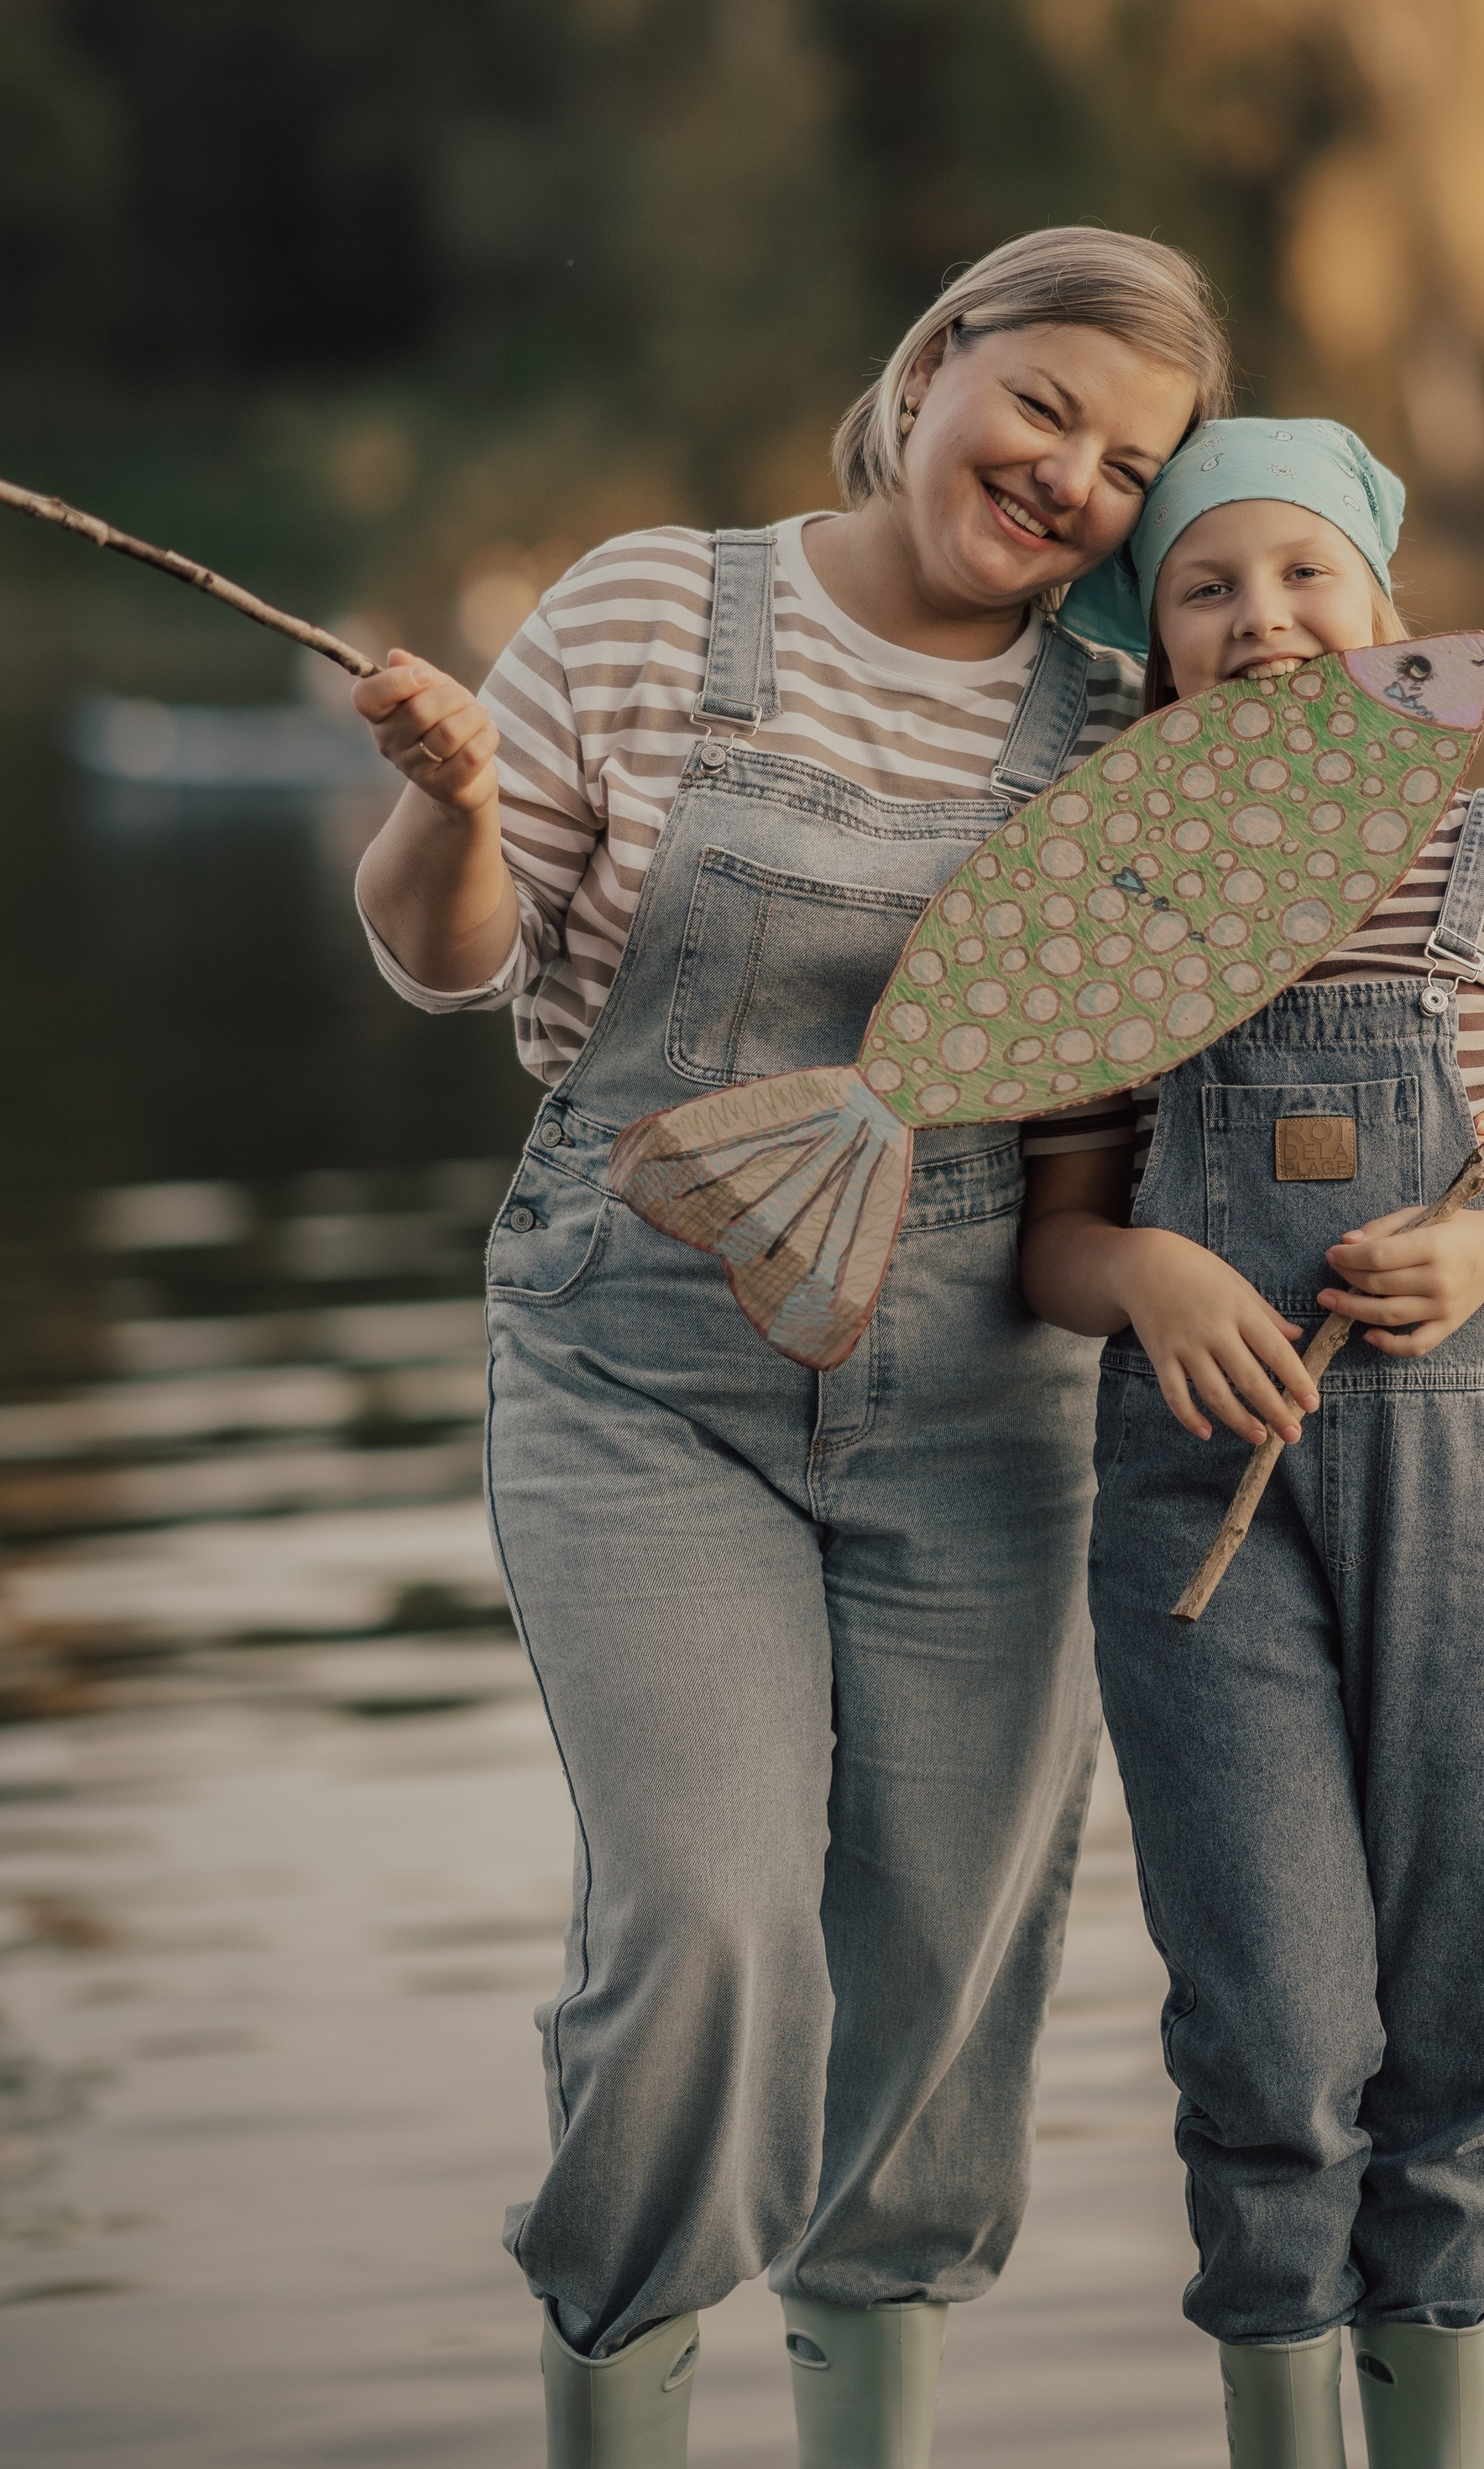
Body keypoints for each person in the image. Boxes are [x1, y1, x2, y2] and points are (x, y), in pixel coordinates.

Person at [347, 228, 1226, 2469]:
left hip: (980, 1398)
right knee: (713, 1932)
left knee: (938, 1974)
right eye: (1039, 404)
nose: (1065, 478)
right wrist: (453, 807)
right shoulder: (652, 606)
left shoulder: (1119, 730)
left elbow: (1204, 1043)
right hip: (642, 1374)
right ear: (935, 362)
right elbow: (448, 964)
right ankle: (622, 2398)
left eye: (1130, 469)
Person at [1019, 420, 1484, 2469]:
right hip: (1193, 1528)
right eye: (1207, 590)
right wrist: (1146, 1279)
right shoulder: (1102, 894)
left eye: (1306, 575)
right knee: (1275, 2036)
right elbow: (1052, 1238)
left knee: (1456, 2019)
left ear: (1389, 614)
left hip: (1463, 1500)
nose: (1265, 621)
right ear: (1153, 654)